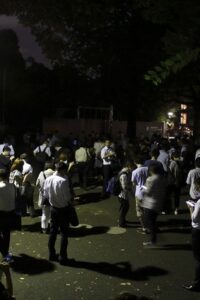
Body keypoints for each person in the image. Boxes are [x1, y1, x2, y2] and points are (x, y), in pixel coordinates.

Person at [43, 161, 75, 265]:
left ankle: (52, 254)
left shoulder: (48, 179)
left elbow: (46, 194)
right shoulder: (63, 180)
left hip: (53, 208)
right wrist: (71, 202)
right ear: (62, 170)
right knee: (64, 233)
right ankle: (63, 256)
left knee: (53, 232)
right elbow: (67, 197)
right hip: (63, 209)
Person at [141, 164, 167, 246]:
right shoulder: (162, 178)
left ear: (151, 171)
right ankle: (154, 236)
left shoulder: (150, 179)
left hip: (150, 204)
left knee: (149, 222)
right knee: (153, 220)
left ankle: (153, 239)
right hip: (159, 202)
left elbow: (148, 192)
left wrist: (143, 188)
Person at [183, 177, 200, 291]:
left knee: (199, 258)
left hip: (198, 231)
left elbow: (194, 218)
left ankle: (197, 283)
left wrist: (190, 208)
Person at [0, 169, 16, 262]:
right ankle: (5, 253)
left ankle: (4, 252)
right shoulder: (12, 186)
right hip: (10, 213)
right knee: (6, 234)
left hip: (1, 213)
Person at [36, 161, 55, 233]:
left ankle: (44, 228)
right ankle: (54, 227)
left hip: (44, 196)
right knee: (54, 213)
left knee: (44, 213)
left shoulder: (42, 173)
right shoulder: (55, 173)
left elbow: (37, 184)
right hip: (54, 196)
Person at [117, 161, 135, 227]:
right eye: (132, 168)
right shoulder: (124, 174)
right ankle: (121, 223)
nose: (132, 169)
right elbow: (124, 186)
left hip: (121, 194)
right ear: (129, 167)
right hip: (122, 195)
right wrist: (130, 188)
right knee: (125, 208)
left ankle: (122, 220)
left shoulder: (124, 172)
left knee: (124, 208)